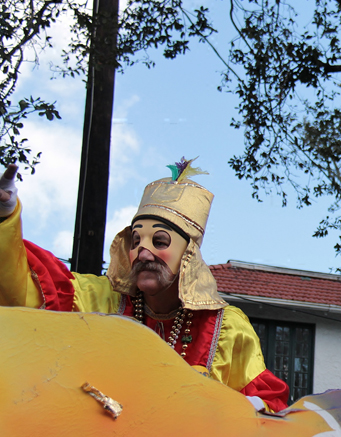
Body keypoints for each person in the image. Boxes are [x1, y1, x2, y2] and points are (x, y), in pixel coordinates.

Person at [0, 160, 289, 413]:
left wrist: (227, 409)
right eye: (136, 241)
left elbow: (269, 407)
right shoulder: (98, 300)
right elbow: (29, 288)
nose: (143, 253)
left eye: (159, 241)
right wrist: (4, 216)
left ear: (187, 255)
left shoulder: (227, 328)